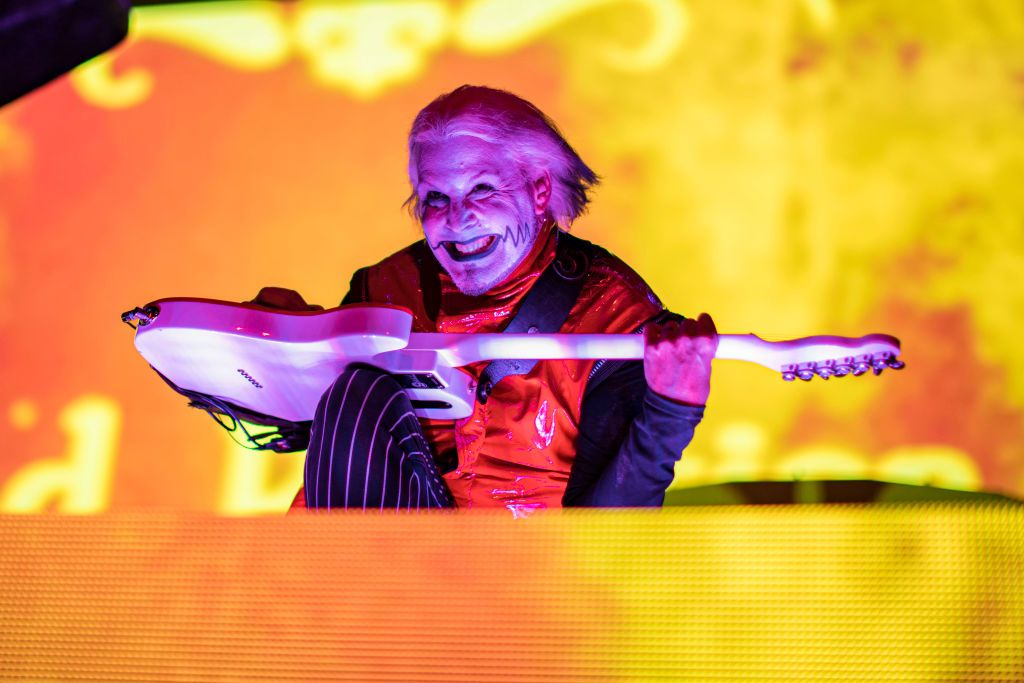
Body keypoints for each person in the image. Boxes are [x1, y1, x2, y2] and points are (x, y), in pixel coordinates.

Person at [257, 85, 717, 514]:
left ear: (539, 191)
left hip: (535, 565)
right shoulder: (385, 290)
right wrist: (282, 361)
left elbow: (609, 528)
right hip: (377, 564)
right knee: (357, 392)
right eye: (436, 198)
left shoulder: (614, 318)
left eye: (481, 189)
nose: (457, 221)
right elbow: (329, 444)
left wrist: (671, 411)